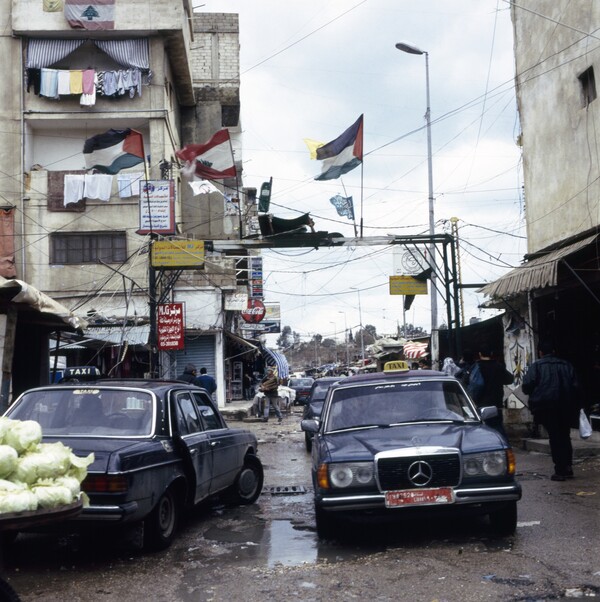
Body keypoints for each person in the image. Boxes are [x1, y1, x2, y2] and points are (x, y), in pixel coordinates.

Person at [522, 339, 580, 481]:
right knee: (565, 436)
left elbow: (527, 386)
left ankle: (560, 470)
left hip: (546, 407)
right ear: (554, 351)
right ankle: (567, 467)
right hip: (565, 406)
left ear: (540, 352)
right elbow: (576, 387)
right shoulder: (566, 365)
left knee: (555, 437)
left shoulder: (536, 367)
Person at [468, 346, 514, 438]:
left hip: (481, 405)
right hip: (496, 405)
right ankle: (503, 449)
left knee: (481, 431)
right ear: (491, 354)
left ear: (480, 354)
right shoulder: (498, 366)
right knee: (498, 430)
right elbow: (510, 379)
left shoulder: (476, 367)